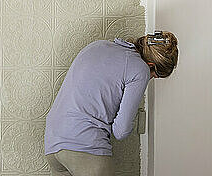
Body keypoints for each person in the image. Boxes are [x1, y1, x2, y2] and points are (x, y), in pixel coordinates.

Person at [44, 31, 179, 176]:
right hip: (85, 145)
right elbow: (121, 131)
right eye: (155, 76)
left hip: (53, 144)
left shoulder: (98, 45)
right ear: (151, 65)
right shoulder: (141, 69)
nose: (150, 78)